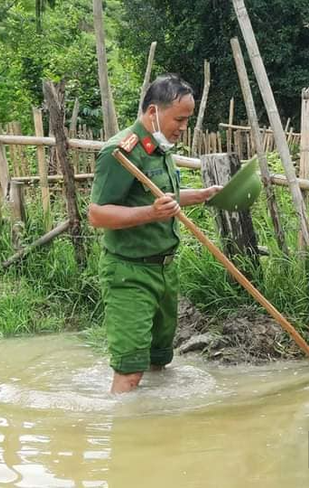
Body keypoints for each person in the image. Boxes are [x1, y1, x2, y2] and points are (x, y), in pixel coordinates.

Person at [88, 74, 222, 394]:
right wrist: (151, 213)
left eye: (187, 120)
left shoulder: (160, 148)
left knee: (158, 362)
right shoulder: (120, 152)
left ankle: (154, 428)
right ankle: (125, 436)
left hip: (164, 270)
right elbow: (97, 214)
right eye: (179, 119)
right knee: (130, 370)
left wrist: (200, 195)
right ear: (153, 112)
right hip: (129, 273)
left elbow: (163, 198)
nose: (183, 127)